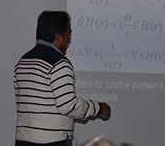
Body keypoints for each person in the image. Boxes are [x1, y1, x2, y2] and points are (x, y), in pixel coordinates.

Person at [14, 11, 111, 146]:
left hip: (23, 140)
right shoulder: (59, 64)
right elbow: (68, 106)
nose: (69, 39)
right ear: (58, 37)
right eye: (68, 34)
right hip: (51, 142)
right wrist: (99, 109)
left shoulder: (23, 62)